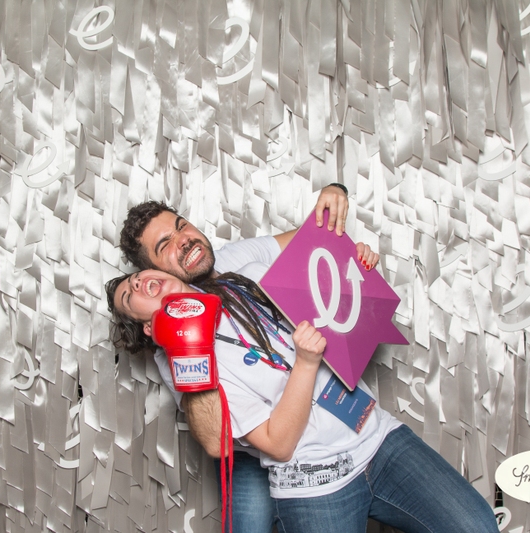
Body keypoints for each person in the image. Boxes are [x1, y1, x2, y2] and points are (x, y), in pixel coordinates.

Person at [105, 267, 500, 533]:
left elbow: (320, 262)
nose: (138, 283)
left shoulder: (239, 280)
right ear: (145, 326)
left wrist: (355, 259)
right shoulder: (186, 367)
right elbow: (277, 443)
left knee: (477, 526)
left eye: (139, 276)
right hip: (315, 483)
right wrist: (306, 363)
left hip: (380, 440)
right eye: (129, 294)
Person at [118, 185, 376, 532]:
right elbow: (217, 441)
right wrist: (187, 344)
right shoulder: (171, 346)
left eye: (181, 226)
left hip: (318, 424)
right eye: (164, 245)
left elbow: (314, 240)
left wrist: (335, 197)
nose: (183, 241)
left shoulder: (235, 259)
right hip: (247, 446)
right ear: (156, 271)